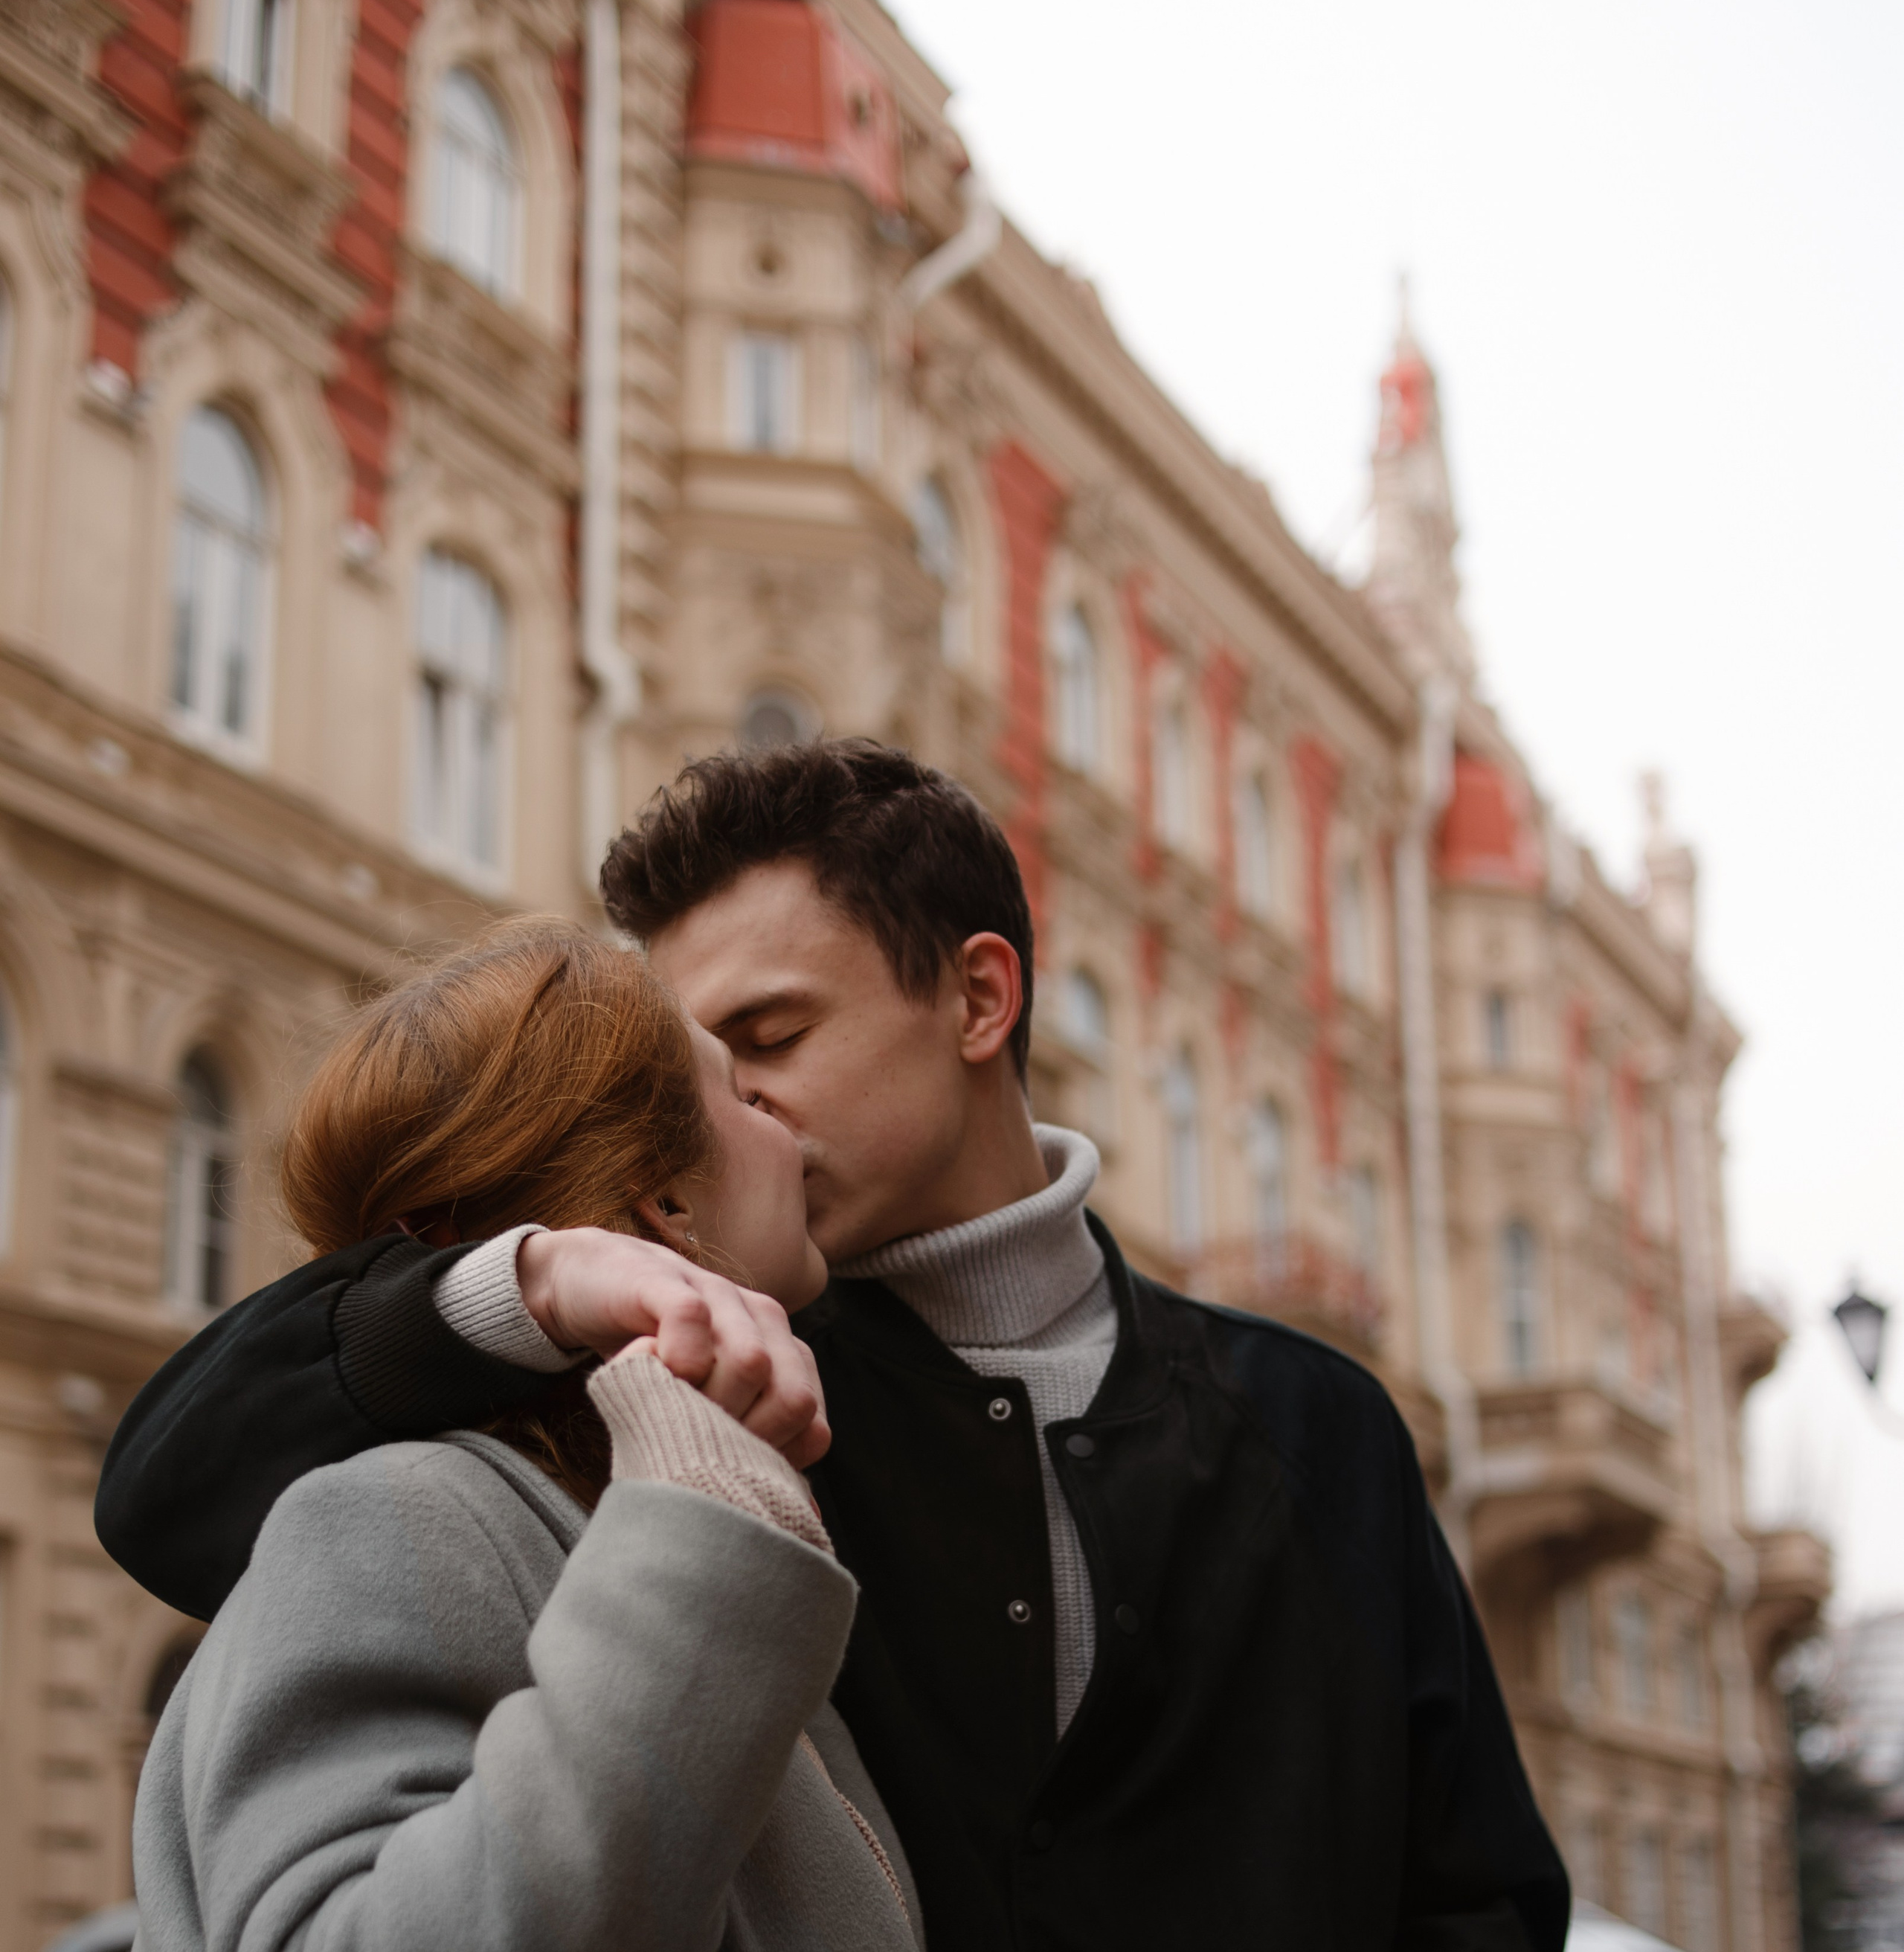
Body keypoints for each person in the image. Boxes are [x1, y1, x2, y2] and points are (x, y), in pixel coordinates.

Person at [103, 740, 1571, 1952]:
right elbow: (178, 1493)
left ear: (977, 999)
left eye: (771, 1039)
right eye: (696, 1074)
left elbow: (1473, 1900)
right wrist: (533, 1278)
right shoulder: (710, 1403)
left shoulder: (1316, 1426)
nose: (724, 1112)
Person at [129, 917, 919, 1952]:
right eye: (744, 1092)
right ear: (666, 1198)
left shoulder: (600, 1519)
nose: (787, 1122)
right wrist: (706, 1526)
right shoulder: (390, 1513)